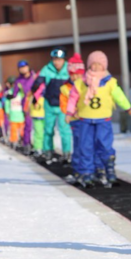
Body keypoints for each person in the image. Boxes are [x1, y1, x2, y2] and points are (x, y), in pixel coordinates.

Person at [66, 50, 131, 187]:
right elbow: (73, 98)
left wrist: (127, 107)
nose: (96, 67)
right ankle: (87, 174)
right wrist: (69, 112)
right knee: (86, 147)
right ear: (89, 65)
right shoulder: (81, 83)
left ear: (104, 66)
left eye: (99, 64)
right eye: (93, 64)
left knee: (105, 146)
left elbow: (119, 96)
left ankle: (109, 170)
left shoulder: (110, 82)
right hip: (85, 119)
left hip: (103, 120)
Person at [32, 48, 72, 162]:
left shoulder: (69, 69)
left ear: (64, 60)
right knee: (48, 129)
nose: (56, 62)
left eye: (59, 60)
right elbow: (38, 82)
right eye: (54, 59)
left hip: (63, 106)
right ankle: (48, 151)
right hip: (49, 104)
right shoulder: (47, 68)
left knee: (65, 130)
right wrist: (35, 88)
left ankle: (66, 153)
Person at [60, 53, 86, 184]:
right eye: (72, 74)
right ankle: (77, 171)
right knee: (78, 146)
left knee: (89, 146)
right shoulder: (65, 88)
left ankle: (91, 171)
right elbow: (64, 104)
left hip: (88, 121)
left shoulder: (86, 85)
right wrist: (71, 113)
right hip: (76, 122)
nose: (75, 77)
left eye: (78, 74)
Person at [13, 60, 39, 152]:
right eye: (21, 68)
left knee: (39, 125)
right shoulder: (18, 80)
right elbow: (15, 93)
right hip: (26, 103)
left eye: (24, 67)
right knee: (27, 125)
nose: (23, 69)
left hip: (37, 102)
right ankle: (26, 144)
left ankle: (39, 146)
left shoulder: (35, 76)